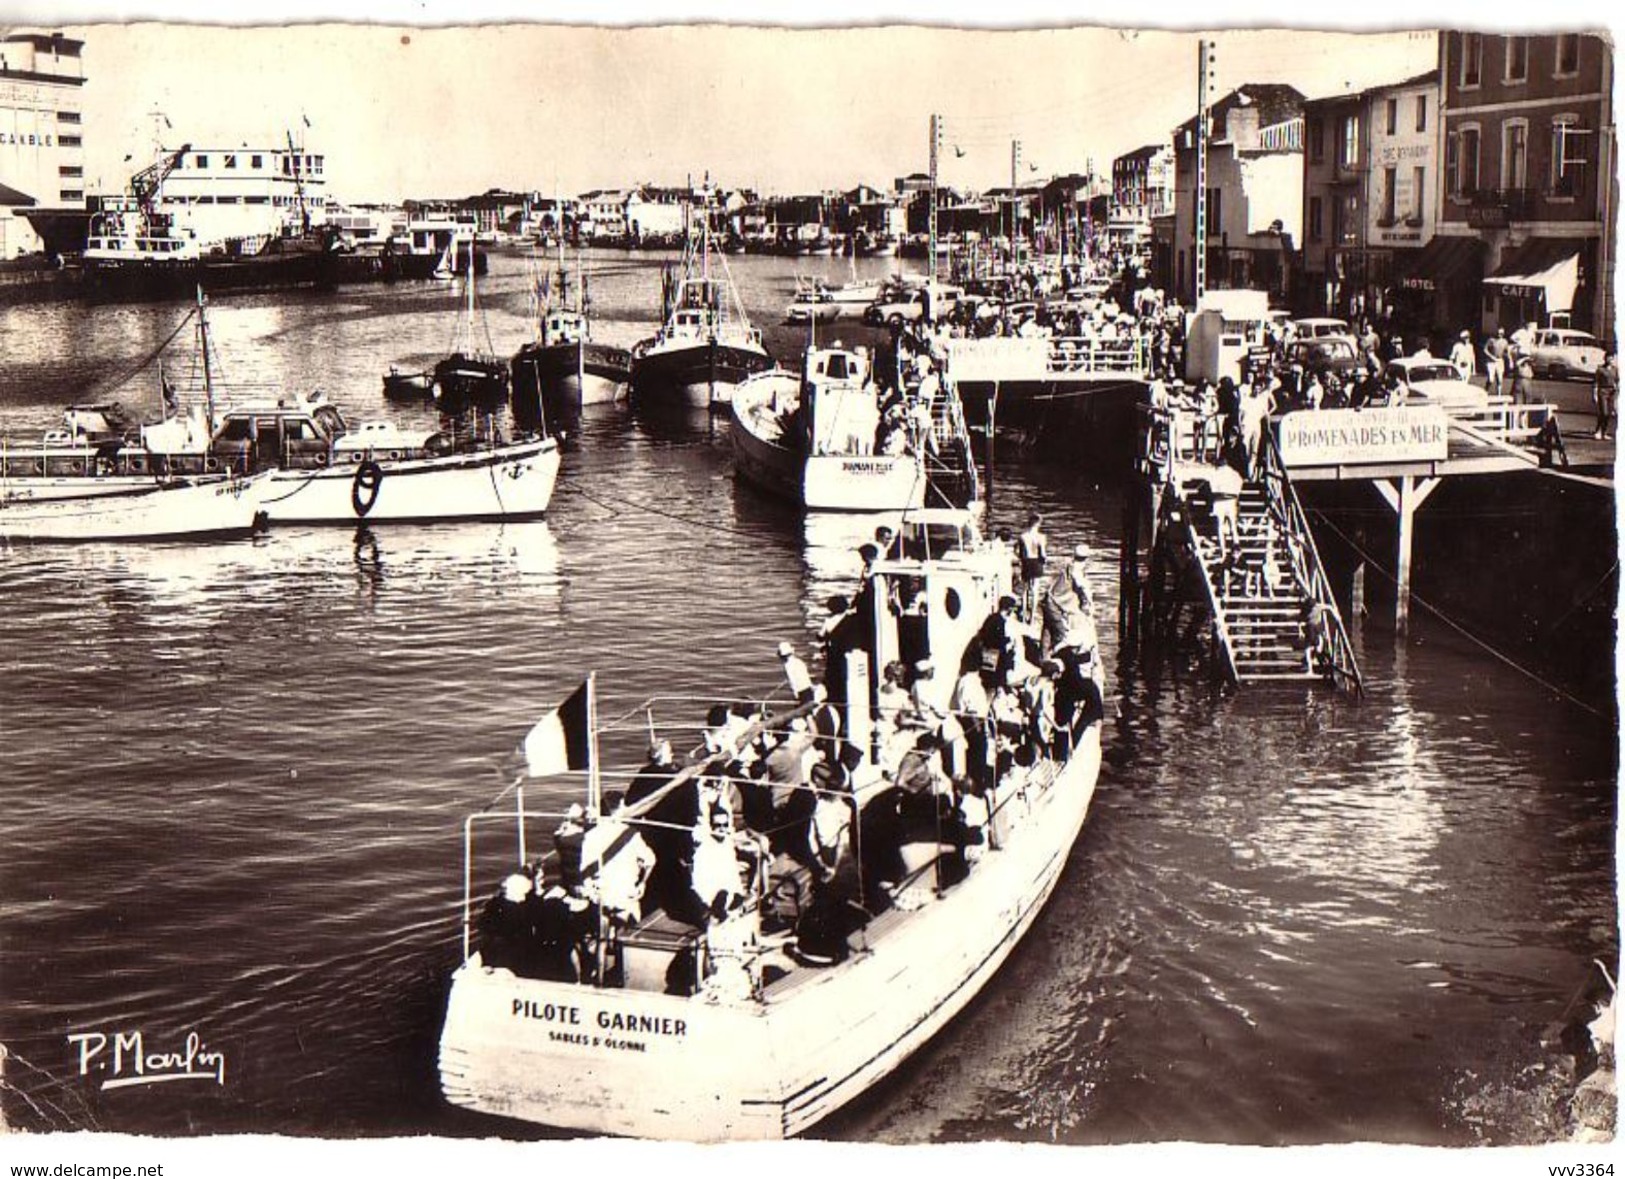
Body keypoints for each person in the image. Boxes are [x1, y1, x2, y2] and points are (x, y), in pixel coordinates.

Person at [578, 791, 657, 927]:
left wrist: (592, 893)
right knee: (626, 932)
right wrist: (642, 883)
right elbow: (650, 860)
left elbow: (584, 870)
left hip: (602, 895)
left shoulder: (590, 835)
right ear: (620, 807)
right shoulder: (631, 834)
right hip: (625, 893)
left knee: (603, 936)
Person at [1016, 512, 1048, 616]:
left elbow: (1018, 552)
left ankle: (1024, 612)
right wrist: (1045, 561)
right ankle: (1033, 615)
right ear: (1038, 524)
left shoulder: (1023, 536)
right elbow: (1042, 554)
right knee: (1035, 589)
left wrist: (1021, 560)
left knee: (1025, 589)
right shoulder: (1041, 537)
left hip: (1026, 562)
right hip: (1037, 562)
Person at [1592, 351, 1618, 440]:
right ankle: (1597, 431)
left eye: (1612, 358)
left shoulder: (1615, 369)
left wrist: (1616, 388)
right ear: (1605, 358)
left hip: (1612, 393)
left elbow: (1617, 380)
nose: (1610, 360)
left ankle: (1604, 432)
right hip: (1602, 391)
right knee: (1604, 412)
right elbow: (1595, 383)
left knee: (1608, 414)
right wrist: (1595, 394)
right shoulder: (1600, 369)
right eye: (1608, 358)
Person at [1484, 327, 1509, 397]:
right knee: (1491, 379)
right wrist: (1491, 357)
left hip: (1500, 361)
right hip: (1491, 361)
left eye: (1501, 333)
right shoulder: (1491, 340)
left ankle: (1499, 395)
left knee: (1500, 379)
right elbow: (1485, 350)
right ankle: (1486, 390)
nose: (1499, 335)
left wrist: (1509, 361)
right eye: (1498, 333)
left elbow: (1507, 352)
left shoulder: (1505, 342)